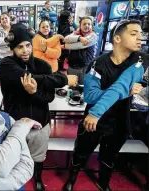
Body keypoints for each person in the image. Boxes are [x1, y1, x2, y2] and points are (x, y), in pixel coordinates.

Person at [62, 19, 149, 191]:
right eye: (134, 34)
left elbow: (122, 83)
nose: (141, 38)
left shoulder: (141, 59)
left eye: (141, 33)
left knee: (109, 156)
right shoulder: (99, 63)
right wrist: (124, 92)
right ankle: (72, 178)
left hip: (120, 121)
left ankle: (103, 183)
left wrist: (122, 90)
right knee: (81, 151)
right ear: (117, 39)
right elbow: (91, 95)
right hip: (94, 120)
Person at [0, 23, 78, 191]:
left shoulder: (44, 66)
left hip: (40, 122)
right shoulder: (6, 65)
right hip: (15, 123)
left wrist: (34, 92)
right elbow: (27, 77)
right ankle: (16, 181)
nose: (25, 50)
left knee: (38, 157)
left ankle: (38, 178)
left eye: (28, 45)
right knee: (14, 156)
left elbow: (48, 97)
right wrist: (62, 79)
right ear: (13, 48)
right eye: (20, 47)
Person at [63, 16, 98, 84]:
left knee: (83, 88)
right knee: (71, 87)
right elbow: (66, 39)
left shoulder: (93, 36)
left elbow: (79, 45)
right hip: (72, 67)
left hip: (85, 68)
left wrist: (65, 46)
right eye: (84, 24)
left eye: (89, 24)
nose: (86, 26)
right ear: (80, 25)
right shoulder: (75, 33)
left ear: (91, 26)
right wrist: (79, 38)